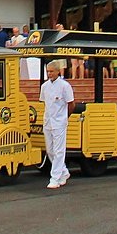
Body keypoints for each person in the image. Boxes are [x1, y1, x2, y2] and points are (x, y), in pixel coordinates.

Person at [39, 61, 74, 189]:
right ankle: (63, 172)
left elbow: (71, 104)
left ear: (58, 71)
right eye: (48, 71)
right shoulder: (45, 86)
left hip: (60, 121)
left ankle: (55, 177)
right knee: (50, 150)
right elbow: (45, 103)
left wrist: (64, 117)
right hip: (48, 121)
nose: (49, 74)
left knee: (59, 150)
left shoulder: (65, 86)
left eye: (51, 71)